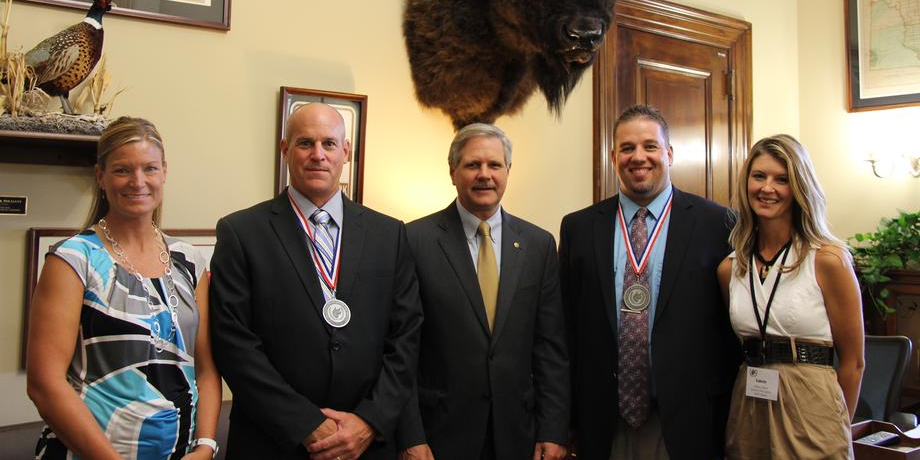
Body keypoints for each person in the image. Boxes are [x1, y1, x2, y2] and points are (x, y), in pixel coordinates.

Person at [209, 102, 421, 460]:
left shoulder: (390, 234)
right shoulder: (242, 232)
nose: (318, 155)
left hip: (366, 444)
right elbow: (234, 345)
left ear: (346, 152)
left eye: (329, 144)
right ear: (285, 150)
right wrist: (307, 425)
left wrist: (370, 421)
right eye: (305, 143)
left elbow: (406, 337)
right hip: (273, 442)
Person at [27, 116, 222, 460]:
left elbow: (205, 368)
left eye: (149, 168)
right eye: (122, 170)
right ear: (100, 176)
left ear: (164, 171)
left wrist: (206, 446)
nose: (138, 182)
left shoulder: (189, 260)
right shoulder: (74, 259)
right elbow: (45, 384)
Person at [558, 104, 739, 460]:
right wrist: (566, 419)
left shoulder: (717, 224)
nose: (638, 157)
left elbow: (729, 330)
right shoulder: (578, 228)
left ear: (669, 153)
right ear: (614, 156)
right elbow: (567, 329)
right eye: (627, 148)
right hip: (603, 420)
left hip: (688, 419)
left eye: (649, 146)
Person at [397, 123, 569, 460]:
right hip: (439, 435)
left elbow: (550, 347)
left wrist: (554, 428)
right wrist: (409, 435)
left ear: (508, 170)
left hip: (519, 433)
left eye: (494, 165)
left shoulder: (539, 245)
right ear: (453, 172)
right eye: (473, 165)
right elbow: (402, 348)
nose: (484, 175)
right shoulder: (413, 241)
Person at [717, 135, 864, 459]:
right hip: (750, 403)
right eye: (759, 176)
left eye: (781, 179)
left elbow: (854, 363)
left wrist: (837, 425)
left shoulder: (827, 260)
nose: (767, 188)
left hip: (812, 404)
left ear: (798, 188)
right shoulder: (730, 268)